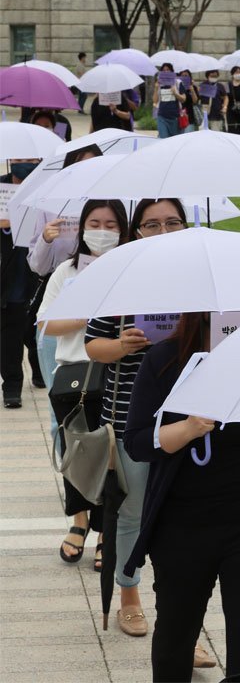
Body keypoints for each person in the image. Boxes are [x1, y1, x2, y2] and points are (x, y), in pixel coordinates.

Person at [122, 312, 240, 682]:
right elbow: (138, 441)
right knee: (176, 634)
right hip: (181, 525)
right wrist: (189, 428)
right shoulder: (165, 360)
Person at [84, 198, 217, 669]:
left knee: (183, 527)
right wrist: (123, 345)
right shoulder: (124, 280)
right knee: (135, 515)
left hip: (199, 424)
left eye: (172, 221)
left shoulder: (207, 278)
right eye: (151, 223)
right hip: (133, 424)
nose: (162, 230)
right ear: (136, 230)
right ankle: (129, 595)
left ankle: (182, 627)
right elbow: (92, 345)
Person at [37, 199, 129, 567]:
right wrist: (86, 317)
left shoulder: (131, 270)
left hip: (116, 371)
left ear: (122, 229)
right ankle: (79, 523)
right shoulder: (67, 271)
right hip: (74, 373)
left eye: (110, 224)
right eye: (94, 222)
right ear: (82, 227)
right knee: (74, 448)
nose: (102, 231)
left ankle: (107, 529)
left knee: (111, 452)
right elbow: (46, 323)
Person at [28, 145, 104, 440]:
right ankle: (71, 478)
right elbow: (37, 265)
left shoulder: (115, 205)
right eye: (82, 166)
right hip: (59, 304)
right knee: (60, 408)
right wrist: (46, 240)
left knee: (101, 409)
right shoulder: (51, 205)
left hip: (105, 318)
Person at [1, 159, 43, 407]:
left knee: (22, 332)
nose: (24, 164)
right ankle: (18, 383)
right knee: (13, 334)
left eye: (29, 160)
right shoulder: (1, 190)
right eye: (18, 159)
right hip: (4, 274)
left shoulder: (44, 190)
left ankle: (24, 380)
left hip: (26, 275)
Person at [153, 63, 186, 139]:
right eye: (164, 70)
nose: (166, 72)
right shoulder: (159, 84)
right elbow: (155, 101)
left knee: (174, 141)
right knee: (163, 139)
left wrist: (175, 93)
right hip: (162, 116)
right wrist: (156, 88)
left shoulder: (178, 83)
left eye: (168, 70)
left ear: (172, 71)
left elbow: (183, 99)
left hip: (175, 117)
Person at [177, 69, 200, 134]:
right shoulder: (176, 86)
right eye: (182, 76)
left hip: (189, 117)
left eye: (186, 76)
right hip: (178, 117)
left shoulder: (193, 87)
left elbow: (195, 101)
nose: (184, 77)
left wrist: (192, 89)